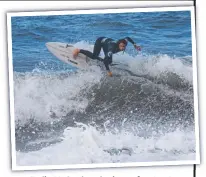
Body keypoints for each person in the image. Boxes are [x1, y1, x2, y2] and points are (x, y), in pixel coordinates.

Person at [72, 37, 141, 77]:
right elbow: (105, 60)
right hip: (100, 41)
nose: (123, 48)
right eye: (121, 46)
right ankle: (79, 50)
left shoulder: (123, 42)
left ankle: (100, 62)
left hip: (106, 43)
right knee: (94, 56)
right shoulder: (112, 49)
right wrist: (108, 71)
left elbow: (127, 38)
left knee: (109, 61)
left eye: (124, 46)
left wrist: (134, 44)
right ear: (118, 44)